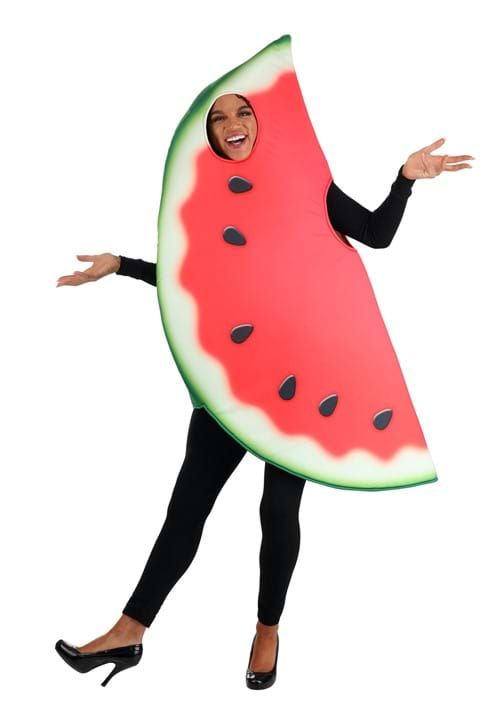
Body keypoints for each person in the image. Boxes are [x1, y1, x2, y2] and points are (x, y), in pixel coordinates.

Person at [55, 92, 474, 688]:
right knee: (185, 512)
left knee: (277, 511)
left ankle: (267, 630)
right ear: (208, 135)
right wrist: (121, 265)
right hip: (231, 384)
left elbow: (376, 235)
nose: (232, 125)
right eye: (218, 118)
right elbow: (187, 278)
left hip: (306, 381)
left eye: (243, 112)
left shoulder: (310, 183)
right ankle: (129, 632)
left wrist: (404, 180)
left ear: (262, 121)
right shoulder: (204, 205)